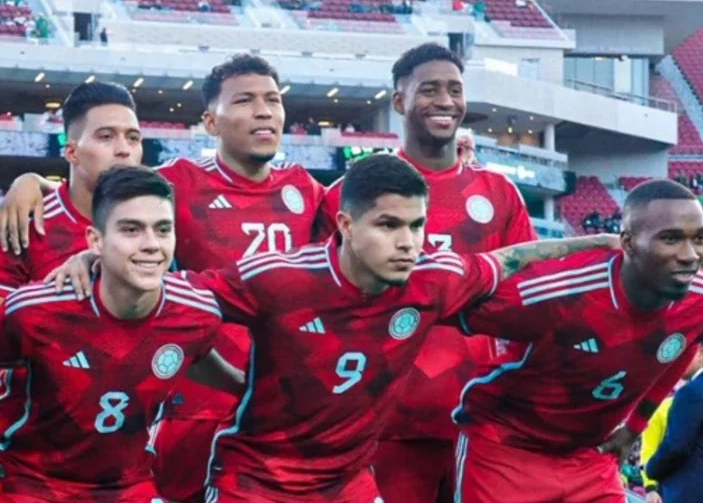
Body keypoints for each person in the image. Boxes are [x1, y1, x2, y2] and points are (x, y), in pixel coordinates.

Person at [48, 154, 617, 502]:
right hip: (257, 481)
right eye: (388, 225)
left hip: (348, 484)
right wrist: (97, 260)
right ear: (345, 223)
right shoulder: (279, 278)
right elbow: (174, 301)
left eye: (416, 225)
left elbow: (509, 260)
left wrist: (594, 242)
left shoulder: (433, 279)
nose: (408, 242)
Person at [0, 54, 326, 502]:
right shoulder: (179, 182)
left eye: (272, 100)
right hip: (191, 407)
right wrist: (33, 183)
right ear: (211, 121)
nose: (263, 111)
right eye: (245, 100)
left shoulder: (307, 191)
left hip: (277, 405)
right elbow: (110, 192)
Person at [316, 42, 537, 503]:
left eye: (455, 89)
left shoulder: (499, 194)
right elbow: (324, 303)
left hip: (478, 420)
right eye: (429, 90)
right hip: (385, 421)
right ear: (399, 101)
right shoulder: (351, 194)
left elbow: (530, 300)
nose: (445, 101)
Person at [0, 165, 230, 501]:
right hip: (30, 481)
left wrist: (255, 387)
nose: (152, 245)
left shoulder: (197, 312)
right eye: (131, 230)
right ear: (95, 241)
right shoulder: (35, 311)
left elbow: (199, 357)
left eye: (163, 229)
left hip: (125, 485)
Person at [455, 180, 703, 503]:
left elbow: (683, 343)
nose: (690, 255)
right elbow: (453, 299)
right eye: (670, 239)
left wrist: (635, 427)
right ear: (628, 243)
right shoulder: (560, 292)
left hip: (590, 458)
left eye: (699, 238)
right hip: (506, 451)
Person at [0, 81, 141, 315]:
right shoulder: (23, 224)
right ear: (72, 152)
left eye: (133, 138)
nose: (124, 149)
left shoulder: (158, 222)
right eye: (106, 136)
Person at [647, 332, 703, 501]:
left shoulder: (693, 391)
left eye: (686, 352)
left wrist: (651, 469)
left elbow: (676, 447)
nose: (679, 359)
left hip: (691, 492)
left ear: (702, 352)